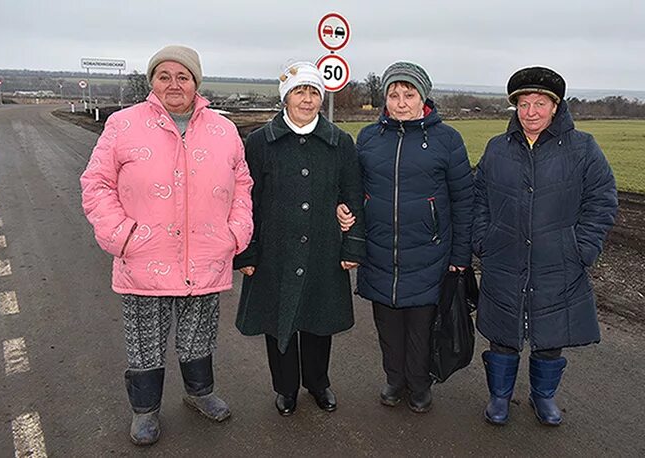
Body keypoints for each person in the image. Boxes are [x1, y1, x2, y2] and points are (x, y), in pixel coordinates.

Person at [80, 45, 253, 445]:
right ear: (151, 81)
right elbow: (96, 183)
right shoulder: (124, 125)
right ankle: (145, 411)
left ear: (197, 83)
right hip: (144, 257)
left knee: (199, 333)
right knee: (145, 340)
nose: (174, 84)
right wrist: (121, 235)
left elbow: (243, 184)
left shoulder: (223, 129)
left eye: (183, 77)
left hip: (207, 255)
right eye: (164, 76)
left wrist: (235, 233)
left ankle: (200, 393)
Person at [473, 66, 618, 426]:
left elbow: (602, 199)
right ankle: (500, 398)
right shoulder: (497, 149)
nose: (531, 112)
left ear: (555, 107)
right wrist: (483, 240)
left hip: (559, 262)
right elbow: (478, 199)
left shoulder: (582, 148)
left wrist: (582, 247)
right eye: (523, 104)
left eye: (540, 103)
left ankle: (544, 397)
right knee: (503, 334)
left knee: (549, 336)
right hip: (504, 257)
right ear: (515, 108)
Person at [337, 61, 474, 413]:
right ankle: (394, 379)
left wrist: (460, 257)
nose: (400, 102)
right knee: (387, 325)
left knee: (422, 326)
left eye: (408, 94)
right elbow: (353, 189)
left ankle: (419, 383)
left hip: (428, 252)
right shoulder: (369, 137)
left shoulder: (447, 139)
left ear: (422, 96)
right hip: (380, 250)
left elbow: (463, 200)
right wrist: (345, 211)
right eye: (393, 94)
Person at [233, 61, 365, 416]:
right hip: (275, 250)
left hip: (323, 247)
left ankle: (318, 382)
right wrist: (246, 252)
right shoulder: (260, 142)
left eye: (313, 93)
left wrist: (352, 244)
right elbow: (245, 201)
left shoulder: (340, 143)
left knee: (318, 319)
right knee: (278, 322)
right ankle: (285, 388)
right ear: (286, 98)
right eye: (299, 92)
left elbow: (352, 196)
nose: (307, 100)